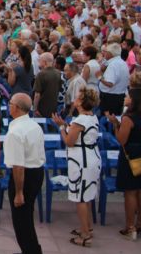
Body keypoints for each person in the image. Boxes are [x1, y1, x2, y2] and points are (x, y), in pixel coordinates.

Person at [52, 87, 101, 247]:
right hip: (92, 157)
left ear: (80, 101)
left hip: (81, 161)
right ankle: (87, 227)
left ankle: (85, 235)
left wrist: (60, 127)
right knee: (87, 195)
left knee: (80, 197)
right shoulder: (91, 117)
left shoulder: (80, 120)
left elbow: (69, 141)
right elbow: (77, 133)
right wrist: (66, 125)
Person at [4, 93, 46, 254]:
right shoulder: (34, 126)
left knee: (21, 221)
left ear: (17, 107)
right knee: (26, 216)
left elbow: (18, 166)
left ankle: (31, 250)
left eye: (11, 103)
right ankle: (31, 249)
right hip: (36, 173)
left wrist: (19, 192)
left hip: (24, 177)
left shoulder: (16, 132)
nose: (9, 105)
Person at [106, 75, 141, 241]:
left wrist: (115, 123)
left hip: (130, 157)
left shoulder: (128, 118)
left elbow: (121, 139)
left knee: (130, 192)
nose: (125, 97)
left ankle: (130, 227)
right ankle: (139, 223)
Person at [98, 43, 130, 116]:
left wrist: (99, 77)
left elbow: (110, 83)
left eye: (105, 52)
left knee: (108, 120)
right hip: (119, 96)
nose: (104, 54)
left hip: (110, 98)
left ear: (110, 53)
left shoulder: (113, 64)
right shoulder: (122, 62)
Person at [33, 52, 62, 117]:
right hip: (53, 108)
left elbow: (37, 94)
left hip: (41, 109)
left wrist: (34, 109)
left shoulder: (41, 74)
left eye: (39, 60)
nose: (38, 62)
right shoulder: (58, 73)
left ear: (44, 62)